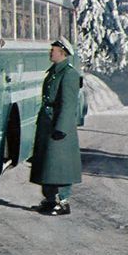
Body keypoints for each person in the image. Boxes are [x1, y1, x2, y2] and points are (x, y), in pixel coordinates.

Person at [29, 37, 82, 216]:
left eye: (53, 49)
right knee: (48, 164)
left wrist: (62, 127)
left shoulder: (69, 74)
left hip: (59, 126)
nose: (50, 52)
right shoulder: (54, 72)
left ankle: (62, 200)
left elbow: (68, 104)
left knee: (61, 165)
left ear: (62, 52)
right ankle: (50, 199)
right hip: (48, 123)